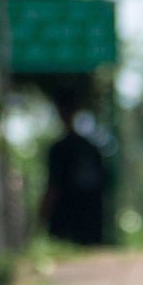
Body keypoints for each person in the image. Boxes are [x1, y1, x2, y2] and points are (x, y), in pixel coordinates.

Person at [40, 95, 107, 246]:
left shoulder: (61, 149)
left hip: (69, 224)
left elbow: (54, 187)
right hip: (90, 222)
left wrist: (42, 218)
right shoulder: (90, 148)